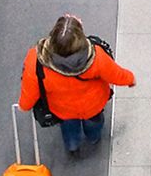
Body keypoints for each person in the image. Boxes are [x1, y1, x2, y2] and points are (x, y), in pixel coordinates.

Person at [18, 14, 136, 157]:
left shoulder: (35, 61)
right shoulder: (96, 57)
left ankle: (73, 146)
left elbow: (29, 94)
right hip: (93, 104)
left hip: (62, 109)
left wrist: (24, 105)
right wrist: (130, 79)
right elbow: (116, 74)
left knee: (68, 127)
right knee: (94, 123)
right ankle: (93, 138)